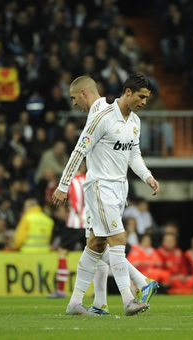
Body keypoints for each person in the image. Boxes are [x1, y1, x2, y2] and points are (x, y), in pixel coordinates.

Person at [52, 74, 160, 316]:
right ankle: (129, 299)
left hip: (120, 189)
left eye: (147, 98)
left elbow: (134, 155)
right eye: (141, 97)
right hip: (100, 186)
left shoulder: (135, 122)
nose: (144, 102)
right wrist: (63, 185)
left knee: (97, 244)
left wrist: (148, 176)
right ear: (128, 92)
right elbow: (79, 150)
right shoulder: (102, 116)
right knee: (118, 239)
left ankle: (75, 303)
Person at [47, 162, 111, 316]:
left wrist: (76, 212)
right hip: (91, 222)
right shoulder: (91, 178)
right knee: (99, 255)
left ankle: (61, 290)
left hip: (75, 222)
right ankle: (99, 293)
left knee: (62, 252)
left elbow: (75, 201)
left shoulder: (73, 181)